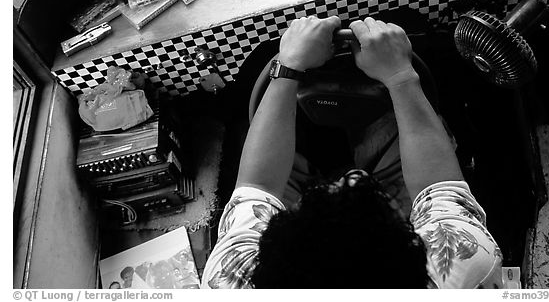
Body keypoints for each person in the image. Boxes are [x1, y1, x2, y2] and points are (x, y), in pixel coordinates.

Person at [200, 16, 503, 289]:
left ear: (259, 264)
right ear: (422, 262)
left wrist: (288, 64)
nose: (353, 177)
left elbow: (258, 187)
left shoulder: (230, 279)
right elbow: (439, 187)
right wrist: (400, 76)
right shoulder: (463, 263)